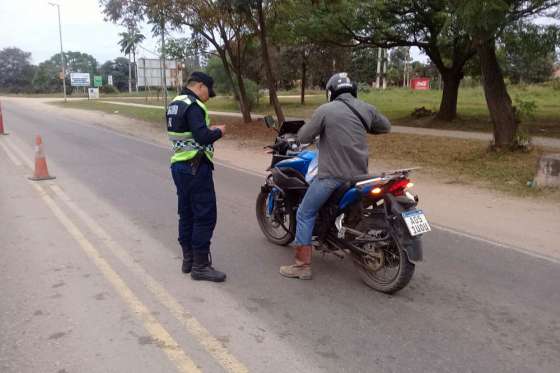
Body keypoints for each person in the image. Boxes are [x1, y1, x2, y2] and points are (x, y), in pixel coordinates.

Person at [279, 72, 391, 280]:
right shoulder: (366, 108)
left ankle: (302, 266)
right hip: (359, 175)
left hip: (332, 176)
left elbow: (304, 136)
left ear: (331, 92)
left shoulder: (326, 110)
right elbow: (385, 126)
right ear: (353, 90)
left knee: (304, 212)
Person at [167, 71, 227, 282]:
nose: (208, 96)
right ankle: (201, 266)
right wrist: (218, 131)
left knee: (187, 213)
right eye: (208, 92)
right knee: (204, 215)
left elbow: (187, 133)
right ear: (200, 86)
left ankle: (189, 260)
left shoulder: (175, 103)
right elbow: (202, 137)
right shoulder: (193, 105)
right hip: (195, 167)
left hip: (179, 166)